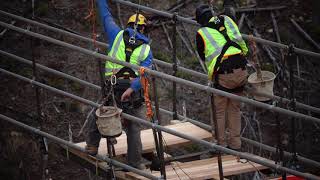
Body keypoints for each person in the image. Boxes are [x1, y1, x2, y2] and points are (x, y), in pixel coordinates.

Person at [85, 0, 153, 170]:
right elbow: (145, 74)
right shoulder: (146, 49)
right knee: (133, 126)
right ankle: (135, 162)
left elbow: (105, 15)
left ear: (129, 25)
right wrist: (131, 89)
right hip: (132, 91)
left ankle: (92, 145)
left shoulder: (116, 34)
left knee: (101, 112)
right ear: (144, 29)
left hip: (113, 86)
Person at [195, 4, 248, 151]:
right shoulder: (227, 19)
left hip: (224, 76)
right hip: (241, 70)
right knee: (235, 109)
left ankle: (220, 144)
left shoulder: (201, 33)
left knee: (219, 110)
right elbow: (240, 40)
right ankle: (236, 145)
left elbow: (203, 56)